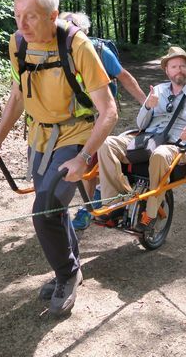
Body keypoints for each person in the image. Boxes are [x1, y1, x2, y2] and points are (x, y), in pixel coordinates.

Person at [0, 0, 118, 317]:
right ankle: (71, 267)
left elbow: (109, 111)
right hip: (39, 138)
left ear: (53, 14)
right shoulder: (18, 44)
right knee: (52, 209)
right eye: (17, 15)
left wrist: (83, 156)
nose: (22, 24)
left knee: (43, 213)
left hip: (75, 137)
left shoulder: (77, 46)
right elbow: (17, 95)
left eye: (31, 16)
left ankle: (67, 274)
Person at [97, 46, 186, 231]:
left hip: (175, 146)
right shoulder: (158, 91)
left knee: (160, 154)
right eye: (174, 66)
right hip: (147, 139)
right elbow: (141, 124)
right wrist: (147, 107)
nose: (179, 70)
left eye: (183, 66)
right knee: (106, 143)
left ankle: (150, 214)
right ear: (167, 70)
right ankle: (117, 202)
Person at [58, 12, 147, 230]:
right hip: (68, 119)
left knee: (88, 160)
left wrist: (146, 104)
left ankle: (87, 209)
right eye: (63, 25)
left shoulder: (99, 51)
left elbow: (124, 77)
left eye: (72, 25)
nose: (66, 29)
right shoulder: (55, 52)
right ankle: (84, 197)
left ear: (83, 31)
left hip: (98, 116)